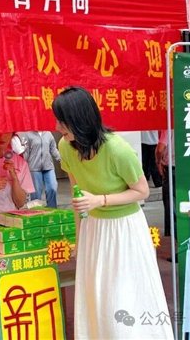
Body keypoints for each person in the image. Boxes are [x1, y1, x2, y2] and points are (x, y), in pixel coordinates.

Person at [52, 87, 173, 339]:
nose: (57, 127)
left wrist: (101, 200)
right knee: (97, 294)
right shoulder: (65, 146)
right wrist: (79, 239)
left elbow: (141, 191)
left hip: (124, 229)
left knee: (123, 295)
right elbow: (78, 197)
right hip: (94, 228)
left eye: (61, 121)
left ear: (79, 119)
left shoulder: (118, 149)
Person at [21, 131, 61, 207]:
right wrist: (23, 166)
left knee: (52, 188)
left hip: (48, 166)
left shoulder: (48, 133)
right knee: (36, 193)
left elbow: (53, 149)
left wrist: (61, 159)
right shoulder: (28, 134)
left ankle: (52, 209)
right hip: (34, 168)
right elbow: (26, 152)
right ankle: (36, 211)